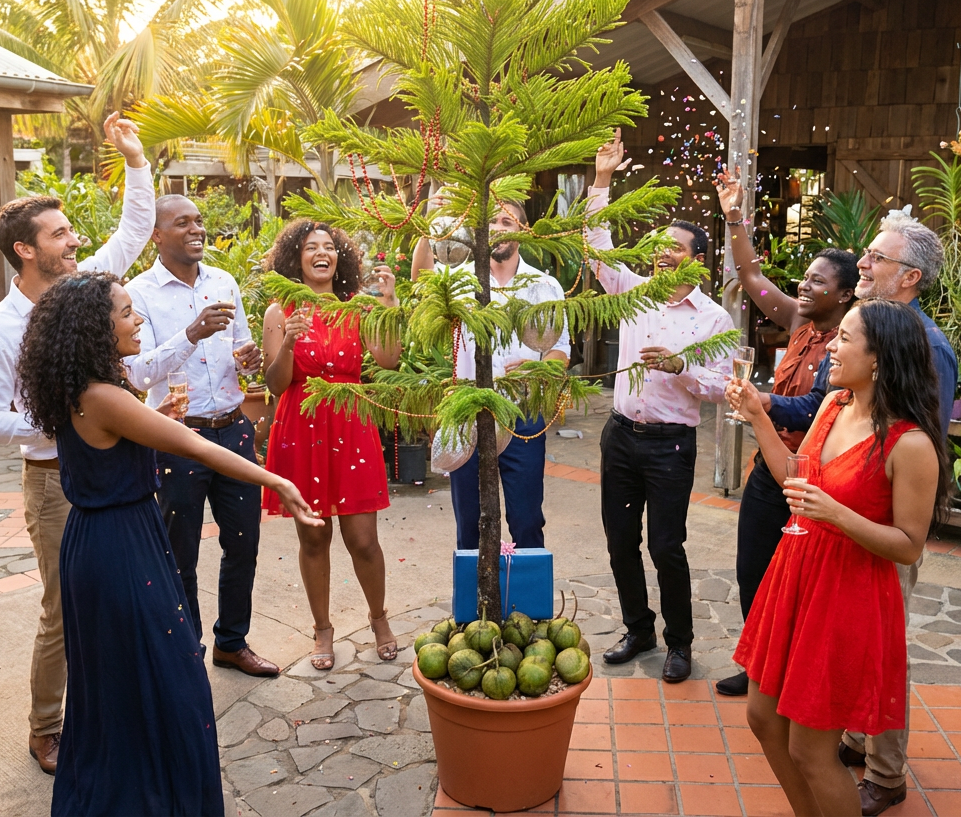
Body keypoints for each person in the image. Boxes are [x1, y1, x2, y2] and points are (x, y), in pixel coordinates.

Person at [16, 272, 319, 816]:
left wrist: (149, 419)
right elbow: (195, 446)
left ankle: (130, 793)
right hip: (121, 550)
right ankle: (161, 801)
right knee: (173, 680)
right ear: (95, 329)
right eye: (127, 312)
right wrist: (274, 479)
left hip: (99, 542)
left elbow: (111, 447)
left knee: (121, 685)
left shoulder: (77, 388)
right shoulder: (104, 394)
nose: (137, 321)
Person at [751, 212, 956, 816]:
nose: (828, 348)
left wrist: (836, 514)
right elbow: (795, 479)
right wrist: (759, 416)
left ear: (880, 356)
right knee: (763, 719)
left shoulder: (912, 444)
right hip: (797, 573)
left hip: (847, 592)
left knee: (815, 751)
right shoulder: (835, 404)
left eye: (843, 340)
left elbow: (909, 544)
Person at [0, 113, 154, 775]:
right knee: (63, 610)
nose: (74, 241)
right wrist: (60, 417)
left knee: (119, 597)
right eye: (59, 234)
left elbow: (134, 233)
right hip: (52, 483)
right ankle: (45, 727)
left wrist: (134, 159)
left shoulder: (81, 291)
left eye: (72, 232)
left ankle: (111, 713)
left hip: (110, 472)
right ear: (24, 249)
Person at [587, 129, 734, 683]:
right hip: (620, 434)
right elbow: (593, 243)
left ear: (697, 259)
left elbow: (722, 387)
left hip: (671, 445)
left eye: (675, 246)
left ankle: (680, 643)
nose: (663, 252)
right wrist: (602, 178)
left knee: (667, 546)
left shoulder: (712, 317)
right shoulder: (631, 289)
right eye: (658, 244)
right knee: (620, 540)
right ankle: (638, 628)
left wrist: (681, 368)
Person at [712, 169, 859, 698]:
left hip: (811, 481)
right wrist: (733, 215)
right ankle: (757, 664)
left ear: (844, 296)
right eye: (808, 276)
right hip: (767, 470)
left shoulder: (851, 344)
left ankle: (790, 671)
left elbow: (819, 407)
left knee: (797, 583)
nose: (806, 285)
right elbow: (750, 276)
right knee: (752, 572)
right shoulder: (800, 320)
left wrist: (765, 402)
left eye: (820, 281)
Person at [123, 194, 278, 676]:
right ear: (156, 234)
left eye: (199, 221)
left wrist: (247, 356)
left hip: (232, 429)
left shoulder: (223, 281)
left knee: (243, 543)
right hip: (174, 437)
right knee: (180, 551)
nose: (196, 230)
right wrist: (190, 334)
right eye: (182, 222)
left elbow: (240, 345)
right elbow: (139, 374)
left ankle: (232, 642)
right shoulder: (140, 293)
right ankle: (186, 652)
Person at [262, 220, 402, 670]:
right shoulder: (279, 311)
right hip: (301, 426)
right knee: (314, 537)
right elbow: (276, 383)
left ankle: (379, 618)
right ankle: (322, 629)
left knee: (363, 539)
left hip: (351, 425)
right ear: (295, 257)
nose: (321, 253)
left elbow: (388, 359)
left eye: (329, 247)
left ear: (339, 257)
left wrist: (389, 304)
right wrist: (289, 341)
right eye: (310, 247)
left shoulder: (357, 308)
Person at [411, 197, 570, 550]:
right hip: (468, 414)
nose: (498, 228)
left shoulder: (545, 287)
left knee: (528, 520)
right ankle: (475, 605)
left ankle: (526, 604)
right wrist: (428, 220)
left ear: (522, 232)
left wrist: (541, 368)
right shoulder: (459, 280)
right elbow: (421, 279)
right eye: (492, 221)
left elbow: (561, 350)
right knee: (469, 523)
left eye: (507, 221)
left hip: (523, 416)